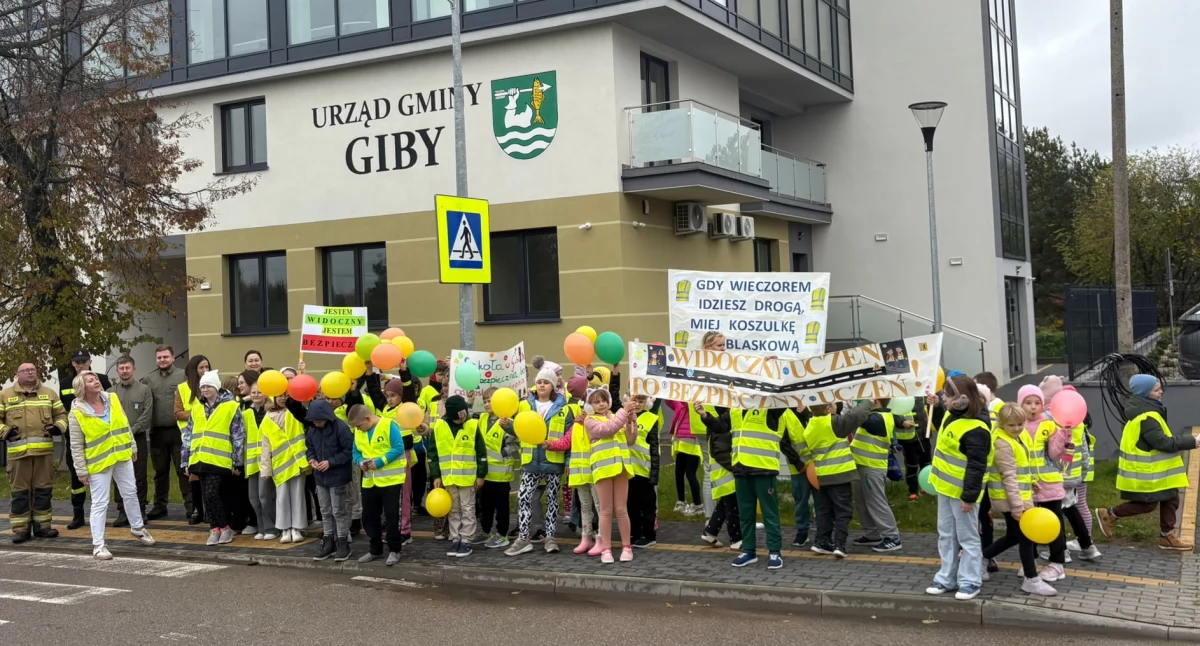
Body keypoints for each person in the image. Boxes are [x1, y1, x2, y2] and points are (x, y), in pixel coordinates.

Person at [1095, 374, 1198, 550]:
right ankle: (1109, 514)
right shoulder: (1148, 416)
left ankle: (1167, 536)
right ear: (1145, 393)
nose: (1161, 392)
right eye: (1156, 390)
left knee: (1171, 498)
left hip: (1157, 472)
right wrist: (1192, 441)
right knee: (1148, 504)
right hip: (1149, 473)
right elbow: (1163, 442)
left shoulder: (1146, 411)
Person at [68, 371, 156, 559]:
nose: (96, 381)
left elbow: (124, 423)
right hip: (99, 462)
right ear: (82, 388)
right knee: (100, 502)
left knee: (130, 492)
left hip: (122, 454)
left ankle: (138, 528)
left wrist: (132, 445)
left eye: (95, 378)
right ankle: (98, 545)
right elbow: (75, 444)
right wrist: (81, 470)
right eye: (90, 380)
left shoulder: (112, 398)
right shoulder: (76, 411)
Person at [924, 375, 991, 601]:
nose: (944, 398)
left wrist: (969, 497)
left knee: (967, 538)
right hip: (946, 489)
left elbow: (976, 466)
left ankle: (970, 581)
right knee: (946, 535)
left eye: (947, 395)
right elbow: (946, 429)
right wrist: (936, 406)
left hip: (962, 494)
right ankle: (946, 578)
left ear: (962, 399)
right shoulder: (953, 414)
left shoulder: (977, 428)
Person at [982, 404, 1055, 596]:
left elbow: (1021, 467)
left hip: (1018, 497)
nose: (1016, 428)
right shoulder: (1002, 443)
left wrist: (1031, 481)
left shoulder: (1015, 438)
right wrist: (1016, 507)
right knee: (1026, 537)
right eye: (1011, 425)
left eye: (1020, 424)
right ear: (1002, 423)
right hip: (1011, 500)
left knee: (1014, 536)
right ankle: (1031, 579)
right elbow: (1009, 476)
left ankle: (981, 558)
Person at [505, 368, 573, 557]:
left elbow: (570, 438)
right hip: (531, 460)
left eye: (546, 382)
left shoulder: (564, 409)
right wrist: (508, 426)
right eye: (539, 382)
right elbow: (520, 429)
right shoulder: (524, 405)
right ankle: (523, 538)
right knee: (524, 497)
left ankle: (550, 537)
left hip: (553, 461)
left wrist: (568, 461)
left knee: (552, 499)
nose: (542, 385)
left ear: (553, 386)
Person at [2, 363, 66, 543]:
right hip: (18, 455)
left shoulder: (49, 393)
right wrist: (5, 432)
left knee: (43, 491)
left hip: (43, 454)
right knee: (20, 493)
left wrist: (58, 427)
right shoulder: (5, 395)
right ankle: (20, 529)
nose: (30, 373)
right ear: (18, 374)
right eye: (26, 370)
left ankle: (43, 527)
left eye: (33, 370)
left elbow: (62, 415)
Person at [182, 370, 246, 547]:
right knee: (206, 496)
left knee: (212, 494)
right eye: (202, 386)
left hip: (220, 459)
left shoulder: (230, 406)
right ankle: (215, 528)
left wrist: (237, 461)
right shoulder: (197, 408)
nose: (205, 389)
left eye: (208, 386)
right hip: (200, 458)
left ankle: (224, 526)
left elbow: (238, 435)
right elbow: (188, 435)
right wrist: (185, 460)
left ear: (217, 387)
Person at [805, 400, 872, 558]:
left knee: (824, 511)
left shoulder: (810, 425)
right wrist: (869, 401)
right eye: (834, 404)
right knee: (843, 511)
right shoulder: (833, 422)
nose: (837, 406)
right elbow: (855, 416)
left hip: (820, 476)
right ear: (828, 409)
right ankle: (839, 545)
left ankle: (822, 542)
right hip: (839, 474)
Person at [1018, 383, 1070, 582]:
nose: (1033, 407)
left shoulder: (1049, 425)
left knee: (1054, 523)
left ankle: (1057, 563)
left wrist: (1063, 437)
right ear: (1020, 404)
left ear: (1042, 405)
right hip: (1026, 485)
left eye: (1037, 403)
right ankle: (1029, 561)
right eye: (1028, 403)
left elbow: (1055, 455)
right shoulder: (1016, 426)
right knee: (1028, 523)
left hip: (1049, 483)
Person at [293, 397, 354, 562]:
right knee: (325, 511)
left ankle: (342, 541)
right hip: (321, 477)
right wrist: (312, 459)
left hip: (338, 476)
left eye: (319, 421)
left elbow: (349, 450)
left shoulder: (340, 427)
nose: (317, 424)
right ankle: (328, 540)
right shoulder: (313, 430)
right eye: (314, 421)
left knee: (339, 511)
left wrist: (330, 462)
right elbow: (309, 448)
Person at [581, 389, 637, 563]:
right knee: (606, 511)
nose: (601, 404)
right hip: (603, 469)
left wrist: (631, 423)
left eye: (604, 400)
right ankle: (606, 549)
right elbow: (608, 430)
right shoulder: (590, 420)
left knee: (621, 510)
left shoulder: (615, 417)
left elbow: (630, 440)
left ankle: (627, 547)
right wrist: (624, 412)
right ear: (590, 405)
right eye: (596, 402)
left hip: (620, 468)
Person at [428, 395, 487, 558]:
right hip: (449, 477)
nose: (462, 420)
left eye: (464, 416)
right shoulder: (439, 426)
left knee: (468, 509)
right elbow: (432, 453)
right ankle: (455, 538)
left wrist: (481, 475)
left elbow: (481, 453)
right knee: (453, 509)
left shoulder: (472, 425)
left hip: (467, 478)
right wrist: (436, 475)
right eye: (458, 418)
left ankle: (466, 539)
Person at [348, 404, 406, 566]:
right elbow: (355, 451)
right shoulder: (360, 431)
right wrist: (360, 462)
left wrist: (379, 462)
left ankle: (394, 550)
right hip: (369, 480)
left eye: (359, 426)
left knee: (392, 517)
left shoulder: (389, 425)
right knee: (369, 516)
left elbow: (398, 448)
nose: (358, 429)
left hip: (391, 480)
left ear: (367, 418)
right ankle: (375, 549)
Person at [59, 349, 111, 530]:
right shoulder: (65, 383)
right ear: (73, 363)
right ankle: (78, 514)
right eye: (77, 362)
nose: (81, 365)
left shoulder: (102, 380)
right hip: (75, 437)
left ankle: (102, 514)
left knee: (104, 475)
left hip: (99, 438)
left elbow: (109, 405)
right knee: (77, 477)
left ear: (90, 362)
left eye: (84, 361)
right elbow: (63, 409)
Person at [142, 346, 191, 521]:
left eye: (165, 357)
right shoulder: (148, 379)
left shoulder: (183, 376)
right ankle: (160, 505)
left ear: (173, 358)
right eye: (159, 357)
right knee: (160, 471)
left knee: (183, 469)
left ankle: (190, 505)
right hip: (157, 432)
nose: (162, 360)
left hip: (178, 431)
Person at [849, 398, 904, 552]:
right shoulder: (877, 416)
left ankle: (892, 537)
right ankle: (872, 534)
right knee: (862, 501)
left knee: (876, 502)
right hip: (863, 465)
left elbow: (857, 417)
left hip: (871, 467)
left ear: (876, 401)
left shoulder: (878, 419)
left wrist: (854, 406)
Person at [108, 356, 153, 528]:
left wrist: (131, 431)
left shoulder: (144, 390)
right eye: (121, 368)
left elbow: (147, 414)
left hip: (138, 438)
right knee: (118, 475)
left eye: (127, 368)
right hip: (116, 440)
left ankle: (140, 509)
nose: (124, 371)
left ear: (134, 369)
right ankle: (122, 511)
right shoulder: (110, 392)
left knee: (139, 475)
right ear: (117, 370)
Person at [262, 390, 307, 544]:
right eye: (279, 395)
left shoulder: (294, 412)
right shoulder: (267, 419)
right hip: (279, 464)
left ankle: (297, 528)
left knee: (297, 496)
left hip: (297, 461)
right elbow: (265, 446)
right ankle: (284, 529)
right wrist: (266, 469)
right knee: (282, 498)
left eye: (285, 395)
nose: (282, 398)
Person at [380, 374, 420, 545]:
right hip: (390, 456)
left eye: (393, 396)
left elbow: (409, 392)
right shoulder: (385, 410)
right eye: (387, 396)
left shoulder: (406, 407)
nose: (389, 399)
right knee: (391, 495)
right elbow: (374, 392)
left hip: (404, 455)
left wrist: (404, 372)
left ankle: (405, 531)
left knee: (404, 495)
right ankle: (393, 528)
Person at [478, 387, 516, 549]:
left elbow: (514, 445)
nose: (487, 404)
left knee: (501, 507)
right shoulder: (482, 419)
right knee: (485, 505)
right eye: (485, 401)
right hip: (485, 473)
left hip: (501, 474)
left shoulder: (507, 422)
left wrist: (502, 453)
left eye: (490, 401)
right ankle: (486, 531)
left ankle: (502, 534)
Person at [177, 355, 213, 525]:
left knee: (211, 476)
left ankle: (211, 511)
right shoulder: (183, 388)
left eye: (207, 367)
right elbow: (177, 413)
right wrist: (196, 414)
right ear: (194, 370)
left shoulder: (214, 386)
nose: (205, 370)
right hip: (192, 439)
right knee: (194, 476)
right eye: (201, 368)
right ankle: (198, 510)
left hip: (212, 438)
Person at [698, 403, 740, 550]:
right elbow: (721, 453)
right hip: (727, 475)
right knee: (733, 508)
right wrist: (736, 468)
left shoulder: (718, 423)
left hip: (722, 475)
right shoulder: (722, 426)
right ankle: (736, 539)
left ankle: (710, 532)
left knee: (724, 506)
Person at [243, 383, 278, 541]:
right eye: (253, 392)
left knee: (265, 496)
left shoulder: (270, 412)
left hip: (266, 460)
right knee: (254, 498)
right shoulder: (245, 414)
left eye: (259, 392)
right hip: (251, 461)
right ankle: (261, 527)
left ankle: (271, 528)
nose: (256, 395)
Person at [626, 395, 661, 548]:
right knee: (631, 505)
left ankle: (649, 535)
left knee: (647, 505)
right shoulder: (623, 416)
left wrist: (654, 474)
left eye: (641, 401)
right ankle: (635, 533)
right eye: (634, 400)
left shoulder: (651, 418)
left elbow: (654, 448)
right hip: (628, 471)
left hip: (644, 471)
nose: (637, 404)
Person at [669, 394, 704, 517]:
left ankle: (698, 504)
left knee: (690, 474)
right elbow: (669, 401)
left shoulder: (697, 404)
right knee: (678, 472)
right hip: (681, 442)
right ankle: (681, 501)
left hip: (693, 443)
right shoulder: (681, 404)